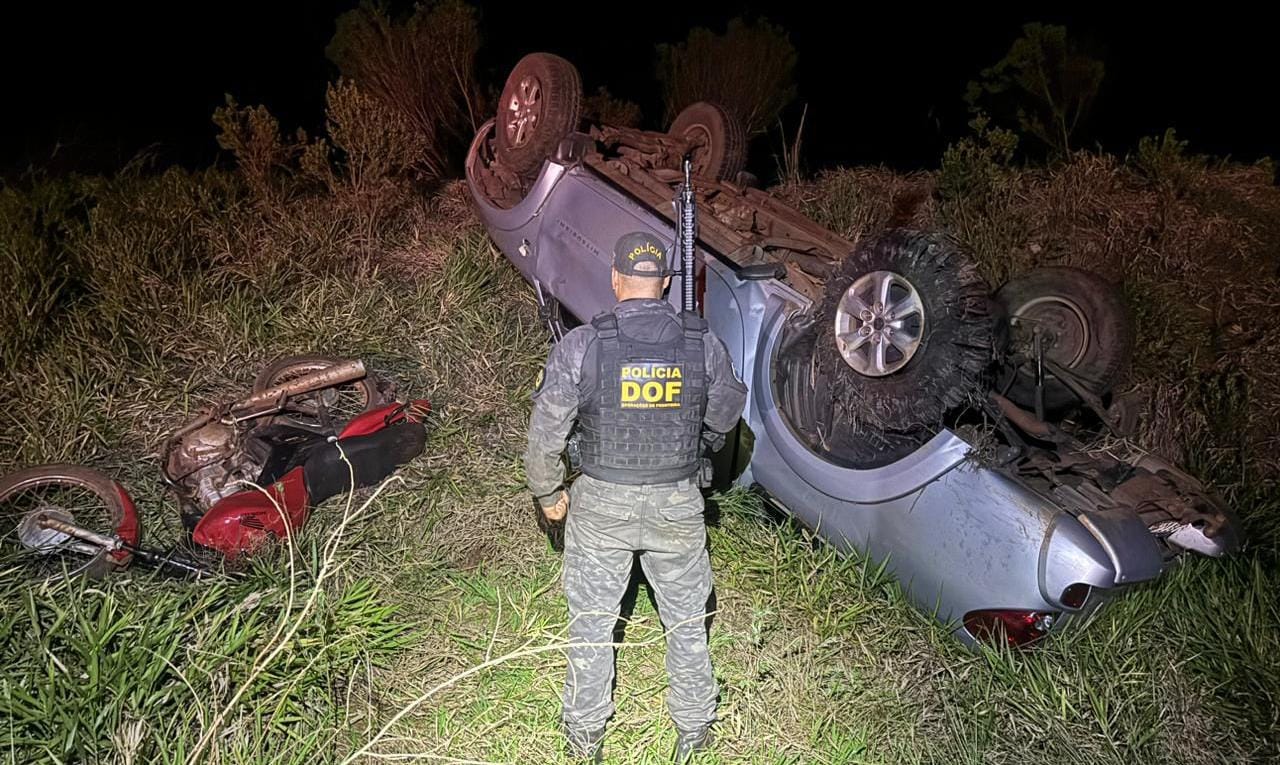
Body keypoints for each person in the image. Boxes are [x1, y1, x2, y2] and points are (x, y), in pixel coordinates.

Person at [524, 231, 748, 762]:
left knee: (591, 624)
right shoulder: (701, 343)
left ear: (615, 278)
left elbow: (546, 430)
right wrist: (694, 441)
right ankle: (695, 727)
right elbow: (726, 413)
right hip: (677, 504)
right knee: (687, 624)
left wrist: (548, 490)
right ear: (665, 283)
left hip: (601, 504)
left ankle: (585, 736)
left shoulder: (583, 345)